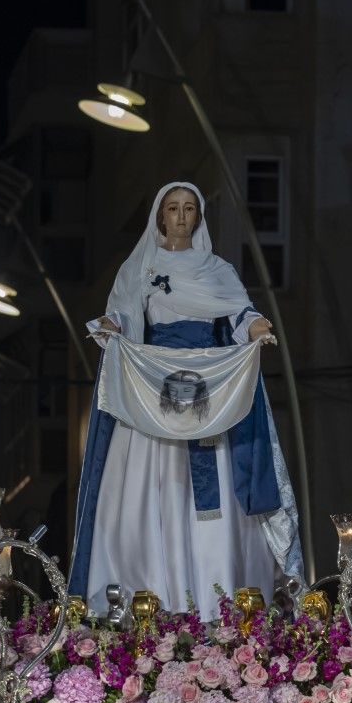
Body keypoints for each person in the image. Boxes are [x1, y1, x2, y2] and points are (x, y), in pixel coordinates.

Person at [68, 180, 303, 617]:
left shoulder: (218, 270)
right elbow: (122, 314)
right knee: (147, 489)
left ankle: (220, 602)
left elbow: (239, 311)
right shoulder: (138, 268)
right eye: (173, 208)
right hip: (153, 390)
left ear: (198, 216)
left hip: (210, 391)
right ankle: (149, 597)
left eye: (189, 208)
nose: (180, 216)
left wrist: (256, 328)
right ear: (160, 216)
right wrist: (111, 326)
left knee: (216, 503)